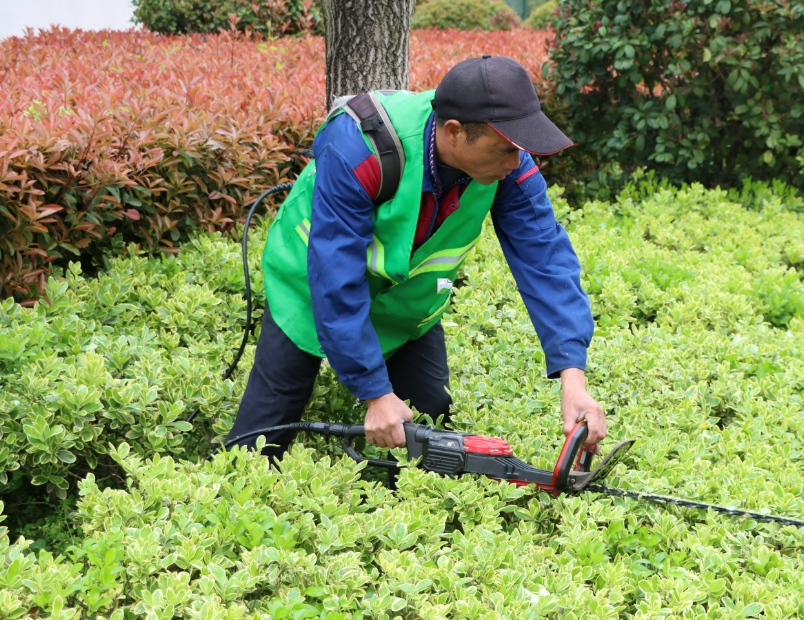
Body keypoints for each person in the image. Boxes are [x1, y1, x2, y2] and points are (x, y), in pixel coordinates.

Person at [226, 55, 607, 465]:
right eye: (505, 150)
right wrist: (374, 392)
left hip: (405, 304)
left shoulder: (507, 164)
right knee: (260, 441)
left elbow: (544, 257)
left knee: (429, 431)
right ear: (455, 132)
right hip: (307, 288)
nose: (516, 163)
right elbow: (334, 280)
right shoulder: (358, 145)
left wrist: (573, 376)